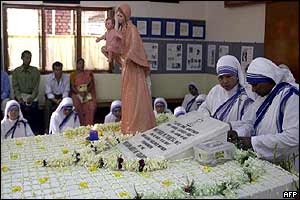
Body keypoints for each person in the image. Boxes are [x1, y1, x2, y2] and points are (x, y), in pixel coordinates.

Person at [228, 57, 299, 172]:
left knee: (289, 191)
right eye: (251, 85)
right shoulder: (263, 96)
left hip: (290, 164)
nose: (253, 89)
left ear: (270, 80)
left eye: (256, 85)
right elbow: (250, 123)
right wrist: (238, 133)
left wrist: (253, 142)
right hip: (267, 161)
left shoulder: (292, 97)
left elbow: (293, 138)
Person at [116, 4, 156, 134]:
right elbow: (120, 48)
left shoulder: (132, 29)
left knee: (135, 96)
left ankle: (137, 125)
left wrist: (128, 57)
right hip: (127, 68)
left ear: (126, 16)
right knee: (127, 96)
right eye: (117, 15)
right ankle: (128, 123)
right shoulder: (122, 30)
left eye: (121, 15)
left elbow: (134, 47)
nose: (118, 17)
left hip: (134, 68)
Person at [197, 55, 254, 123]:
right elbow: (204, 108)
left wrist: (229, 127)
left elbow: (247, 124)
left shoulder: (245, 97)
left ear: (237, 76)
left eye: (228, 76)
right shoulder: (215, 91)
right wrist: (208, 119)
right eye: (221, 77)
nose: (225, 81)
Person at [12, 50, 40, 134]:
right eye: (26, 58)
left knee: (34, 107)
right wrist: (19, 98)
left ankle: (34, 131)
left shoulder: (35, 71)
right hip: (21, 95)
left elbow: (36, 87)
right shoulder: (16, 71)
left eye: (30, 58)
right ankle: (20, 130)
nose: (28, 60)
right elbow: (15, 87)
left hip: (31, 95)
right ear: (22, 58)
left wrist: (31, 97)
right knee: (20, 106)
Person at [44, 61, 70, 134]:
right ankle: (47, 128)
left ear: (62, 70)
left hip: (62, 97)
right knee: (47, 106)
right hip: (52, 98)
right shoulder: (48, 78)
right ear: (53, 70)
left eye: (59, 70)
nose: (58, 72)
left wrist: (62, 100)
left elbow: (66, 91)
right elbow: (48, 93)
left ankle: (65, 127)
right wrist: (55, 100)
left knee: (67, 105)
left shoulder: (66, 77)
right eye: (56, 70)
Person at [70, 58, 97, 126]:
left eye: (83, 63)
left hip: (86, 93)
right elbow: (72, 87)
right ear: (76, 65)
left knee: (91, 106)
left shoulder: (88, 73)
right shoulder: (73, 74)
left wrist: (86, 91)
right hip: (77, 93)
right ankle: (80, 124)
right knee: (76, 104)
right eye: (79, 63)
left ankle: (89, 124)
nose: (81, 65)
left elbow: (91, 84)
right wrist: (79, 93)